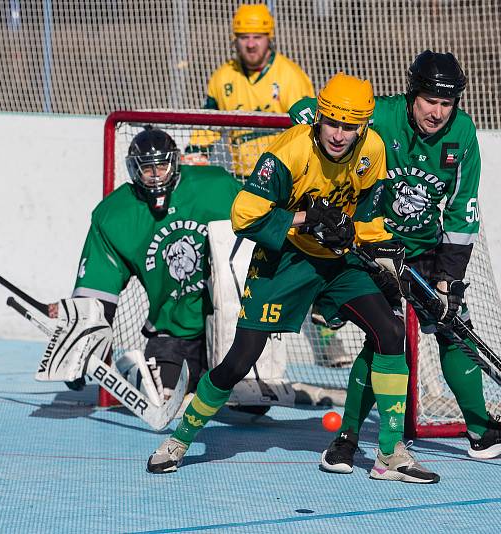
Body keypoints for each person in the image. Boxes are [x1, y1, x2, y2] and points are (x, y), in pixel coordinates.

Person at [147, 73, 440, 484]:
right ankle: (179, 439)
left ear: (364, 127)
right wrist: (304, 220)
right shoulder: (289, 153)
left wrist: (376, 246)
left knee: (390, 332)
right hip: (284, 260)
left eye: (349, 126)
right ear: (319, 117)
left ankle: (389, 453)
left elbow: (369, 219)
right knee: (239, 361)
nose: (339, 135)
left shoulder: (372, 151)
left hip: (337, 263)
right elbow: (242, 216)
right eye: (332, 123)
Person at [289, 50, 501, 473]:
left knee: (456, 330)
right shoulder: (381, 115)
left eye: (446, 103)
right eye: (428, 101)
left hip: (424, 252)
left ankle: (478, 431)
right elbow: (304, 111)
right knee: (386, 338)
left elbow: (462, 211)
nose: (437, 112)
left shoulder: (463, 134)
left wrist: (448, 282)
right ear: (411, 94)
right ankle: (345, 440)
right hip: (372, 248)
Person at [50, 126, 241, 400]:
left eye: (161, 166)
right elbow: (96, 291)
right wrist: (81, 348)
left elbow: (260, 228)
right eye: (146, 168)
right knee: (160, 396)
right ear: (133, 170)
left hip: (226, 324)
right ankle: (136, 373)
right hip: (172, 332)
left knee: (250, 406)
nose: (154, 175)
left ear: (174, 163)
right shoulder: (116, 215)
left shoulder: (216, 187)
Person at [185, 3, 315, 177]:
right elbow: (207, 128)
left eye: (258, 37)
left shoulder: (291, 76)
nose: (251, 44)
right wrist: (195, 154)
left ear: (269, 38)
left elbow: (308, 131)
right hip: (241, 177)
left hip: (283, 177)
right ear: (234, 40)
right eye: (244, 37)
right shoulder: (222, 77)